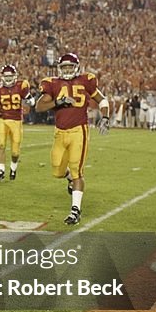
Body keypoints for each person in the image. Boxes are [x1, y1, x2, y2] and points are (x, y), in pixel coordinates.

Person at [34, 52, 111, 225]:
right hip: (60, 132)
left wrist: (105, 117)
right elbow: (39, 107)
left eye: (70, 66)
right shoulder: (52, 84)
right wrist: (58, 102)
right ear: (60, 68)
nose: (68, 70)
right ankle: (69, 178)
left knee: (77, 169)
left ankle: (75, 210)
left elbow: (102, 100)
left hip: (79, 131)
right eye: (65, 67)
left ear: (77, 67)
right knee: (57, 171)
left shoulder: (86, 81)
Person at [0, 64, 32, 181]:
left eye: (10, 76)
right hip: (2, 119)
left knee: (15, 151)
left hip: (16, 121)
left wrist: (29, 100)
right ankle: (1, 171)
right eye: (6, 76)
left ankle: (13, 168)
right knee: (1, 145)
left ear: (15, 76)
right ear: (2, 77)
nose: (8, 79)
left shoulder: (21, 86)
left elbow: (30, 100)